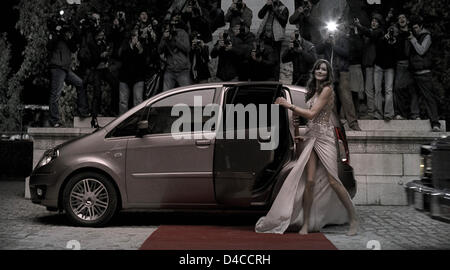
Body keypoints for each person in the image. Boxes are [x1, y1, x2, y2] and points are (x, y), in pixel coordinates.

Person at [255, 59, 359, 236]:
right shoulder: (312, 91)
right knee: (309, 182)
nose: (320, 71)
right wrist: (298, 127)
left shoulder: (327, 89)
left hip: (325, 139)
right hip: (311, 137)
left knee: (334, 180)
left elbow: (311, 113)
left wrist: (288, 105)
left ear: (328, 74)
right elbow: (309, 118)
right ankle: (306, 224)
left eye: (324, 70)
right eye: (318, 68)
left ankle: (353, 219)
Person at [47, 26, 90, 127]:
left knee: (80, 83)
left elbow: (74, 48)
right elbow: (49, 46)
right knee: (55, 94)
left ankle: (82, 111)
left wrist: (71, 36)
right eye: (66, 32)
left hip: (66, 69)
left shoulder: (67, 39)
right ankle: (54, 120)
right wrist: (58, 33)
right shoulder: (55, 36)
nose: (67, 34)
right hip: (57, 68)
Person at [407, 16, 441, 131]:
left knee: (429, 98)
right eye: (413, 28)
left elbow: (421, 50)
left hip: (424, 73)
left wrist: (412, 39)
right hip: (414, 72)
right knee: (413, 96)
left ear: (421, 26)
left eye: (416, 27)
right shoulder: (414, 37)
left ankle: (435, 123)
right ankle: (415, 116)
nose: (414, 30)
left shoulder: (427, 36)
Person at [355, 13, 384, 120]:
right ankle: (371, 112)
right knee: (368, 90)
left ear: (379, 24)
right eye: (372, 21)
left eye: (376, 21)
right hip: (367, 65)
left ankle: (377, 113)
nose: (373, 22)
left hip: (376, 65)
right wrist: (357, 30)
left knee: (376, 90)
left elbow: (370, 34)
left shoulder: (378, 32)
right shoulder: (368, 33)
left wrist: (359, 26)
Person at [256, 0, 289, 81]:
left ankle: (275, 81)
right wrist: (266, 6)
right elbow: (260, 15)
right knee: (264, 60)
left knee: (275, 62)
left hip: (276, 40)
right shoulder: (268, 7)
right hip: (265, 38)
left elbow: (284, 21)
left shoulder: (283, 8)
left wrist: (274, 10)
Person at [158, 15, 192, 91]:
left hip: (183, 70)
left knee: (186, 93)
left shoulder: (182, 33)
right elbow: (159, 50)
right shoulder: (165, 35)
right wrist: (164, 39)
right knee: (166, 95)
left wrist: (174, 39)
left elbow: (187, 49)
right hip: (170, 70)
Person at [118, 30, 146, 115]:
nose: (136, 38)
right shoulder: (125, 45)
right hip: (125, 77)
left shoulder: (143, 44)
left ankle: (138, 122)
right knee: (123, 102)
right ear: (131, 37)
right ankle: (122, 123)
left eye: (137, 36)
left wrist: (140, 50)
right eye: (134, 36)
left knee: (138, 101)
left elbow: (144, 62)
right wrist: (131, 47)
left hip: (138, 77)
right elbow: (122, 59)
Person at [393, 12, 413, 120]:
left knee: (411, 90)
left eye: (403, 17)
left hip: (412, 65)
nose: (401, 19)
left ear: (407, 20)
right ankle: (401, 113)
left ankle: (413, 114)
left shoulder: (412, 32)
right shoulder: (397, 34)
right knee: (398, 88)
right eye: (399, 18)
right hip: (400, 64)